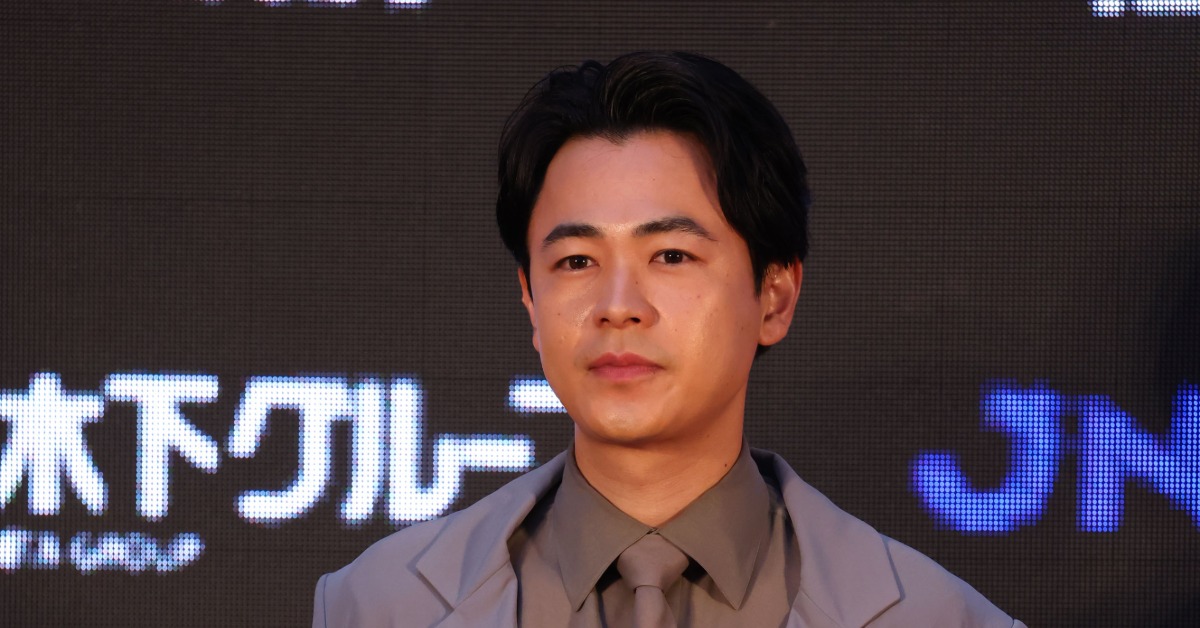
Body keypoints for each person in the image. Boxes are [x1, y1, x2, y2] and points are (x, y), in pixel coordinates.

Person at [312, 51, 1026, 628]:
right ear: (530, 297)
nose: (618, 307)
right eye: (576, 262)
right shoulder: (374, 606)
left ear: (774, 296)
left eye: (672, 256)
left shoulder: (940, 617)